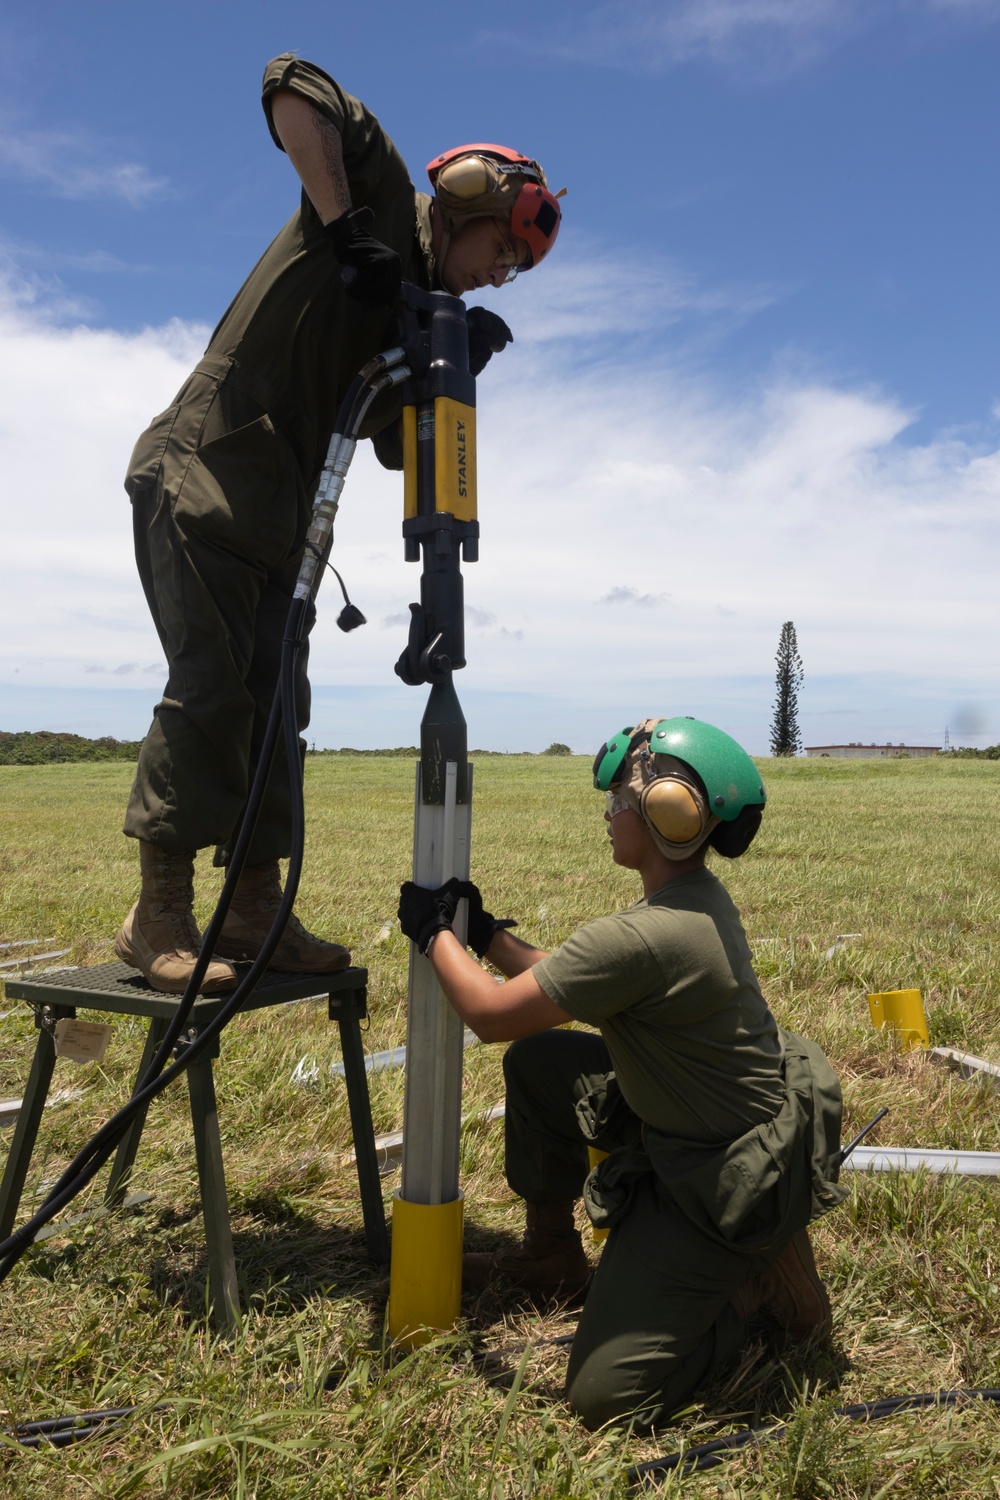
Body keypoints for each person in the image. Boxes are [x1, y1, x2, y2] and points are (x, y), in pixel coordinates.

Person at [115, 54, 563, 995]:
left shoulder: (418, 307)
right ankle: (155, 913)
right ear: (468, 202)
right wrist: (346, 227)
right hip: (204, 466)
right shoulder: (379, 192)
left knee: (279, 702)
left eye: (510, 277)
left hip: (284, 518)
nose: (495, 279)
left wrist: (448, 360)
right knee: (210, 691)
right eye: (499, 256)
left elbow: (403, 453)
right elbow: (292, 89)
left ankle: (250, 911)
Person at [397, 716, 847, 1432]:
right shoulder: (688, 902)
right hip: (699, 1116)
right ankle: (550, 1257)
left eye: (618, 803)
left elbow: (487, 1014)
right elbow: (567, 984)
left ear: (665, 811)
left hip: (726, 1177)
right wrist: (483, 936)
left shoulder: (648, 934)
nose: (607, 816)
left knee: (608, 1396)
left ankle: (747, 1298)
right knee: (545, 1064)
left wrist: (434, 936)